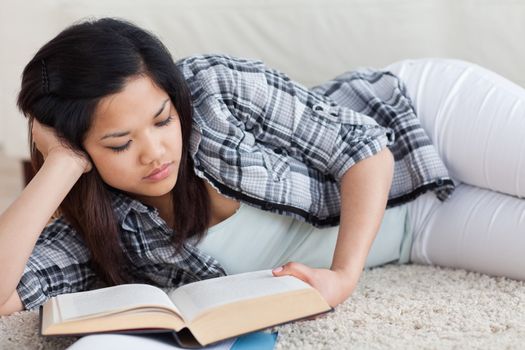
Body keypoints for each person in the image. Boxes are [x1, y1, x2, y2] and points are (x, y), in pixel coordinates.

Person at [0, 17, 520, 316]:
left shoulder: (214, 90)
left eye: (162, 119)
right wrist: (60, 166)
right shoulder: (102, 226)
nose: (155, 152)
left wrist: (342, 277)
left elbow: (362, 148)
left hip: (422, 120)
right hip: (418, 230)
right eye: (118, 144)